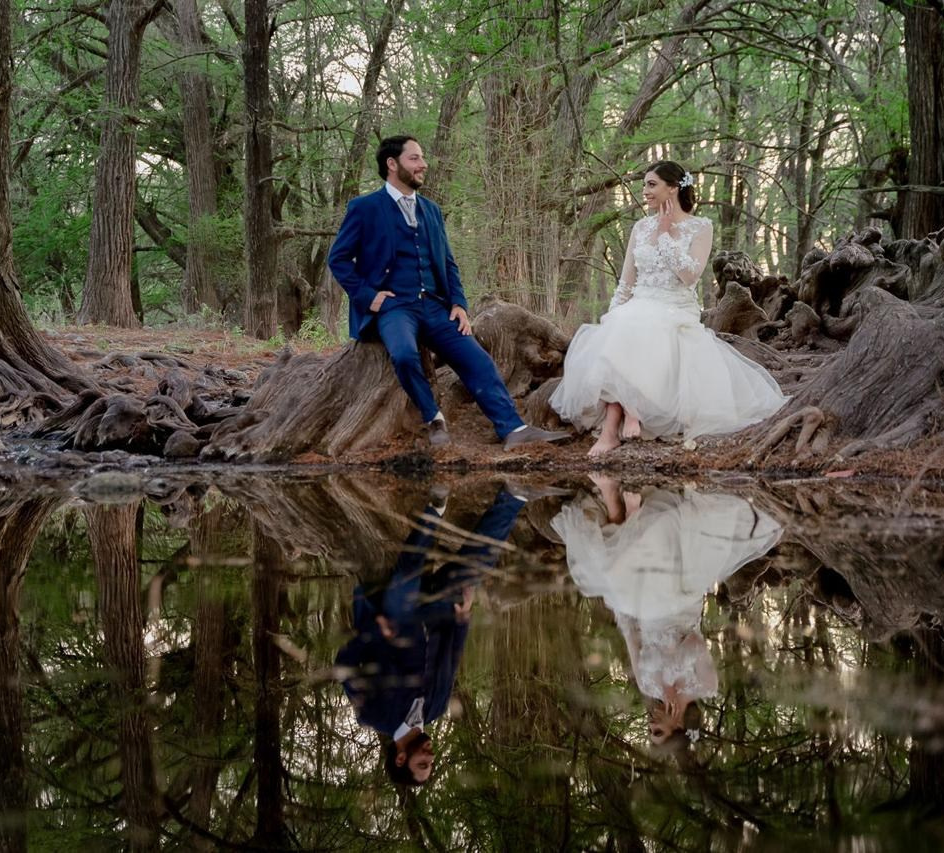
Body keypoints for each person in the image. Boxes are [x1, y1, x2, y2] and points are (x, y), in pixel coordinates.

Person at [328, 135, 569, 451]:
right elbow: (339, 259)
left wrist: (458, 303)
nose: (423, 164)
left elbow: (448, 263)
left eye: (422, 158)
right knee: (403, 354)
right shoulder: (365, 208)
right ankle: (433, 418)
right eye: (414, 158)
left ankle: (513, 429)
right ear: (392, 164)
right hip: (394, 307)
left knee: (479, 362)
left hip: (435, 306)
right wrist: (369, 296)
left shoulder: (431, 210)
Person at [549, 160, 788, 456]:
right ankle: (625, 417)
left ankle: (618, 424)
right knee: (621, 327)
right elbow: (626, 282)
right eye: (644, 185)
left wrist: (665, 235)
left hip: (675, 306)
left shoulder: (700, 227)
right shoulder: (640, 227)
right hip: (639, 304)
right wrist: (611, 316)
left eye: (651, 185)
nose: (644, 191)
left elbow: (690, 275)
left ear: (673, 188)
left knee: (639, 326)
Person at [335, 484, 551, 785]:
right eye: (432, 762)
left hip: (399, 616)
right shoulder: (435, 710)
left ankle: (435, 509)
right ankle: (514, 497)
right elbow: (450, 662)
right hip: (438, 616)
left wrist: (373, 631)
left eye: (423, 762)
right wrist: (462, 620)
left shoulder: (374, 716)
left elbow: (344, 665)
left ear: (400, 758)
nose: (431, 756)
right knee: (476, 568)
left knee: (405, 580)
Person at [551, 476, 782, 747]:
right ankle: (629, 512)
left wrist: (618, 601)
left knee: (609, 574)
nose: (650, 726)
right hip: (680, 604)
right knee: (645, 559)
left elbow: (630, 637)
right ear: (679, 726)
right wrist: (672, 686)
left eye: (650, 732)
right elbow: (696, 644)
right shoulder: (705, 687)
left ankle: (615, 501)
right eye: (658, 731)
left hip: (645, 610)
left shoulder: (647, 687)